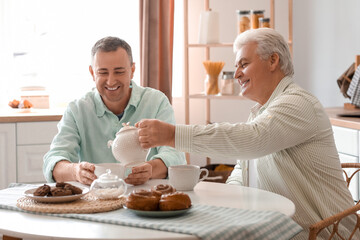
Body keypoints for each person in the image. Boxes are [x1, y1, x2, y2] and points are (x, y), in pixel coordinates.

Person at [135, 28, 357, 239]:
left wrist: (174, 136)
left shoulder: (298, 103)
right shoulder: (261, 112)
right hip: (281, 230)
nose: (237, 74)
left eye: (244, 64)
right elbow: (242, 170)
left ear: (273, 60)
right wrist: (227, 207)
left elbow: (254, 139)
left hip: (326, 234)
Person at [43, 36, 186, 186]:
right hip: (96, 200)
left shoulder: (156, 102)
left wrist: (151, 169)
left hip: (148, 197)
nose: (111, 81)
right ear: (92, 73)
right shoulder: (77, 109)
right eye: (103, 72)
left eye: (119, 72)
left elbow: (176, 155)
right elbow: (53, 161)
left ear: (132, 70)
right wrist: (75, 171)